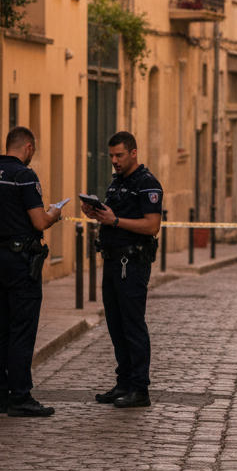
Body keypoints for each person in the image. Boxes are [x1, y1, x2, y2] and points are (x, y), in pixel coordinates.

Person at [0, 126, 64, 417]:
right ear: (27, 146)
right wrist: (54, 214)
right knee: (22, 329)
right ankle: (21, 396)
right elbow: (39, 222)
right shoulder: (25, 176)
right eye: (33, 150)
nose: (32, 154)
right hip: (20, 260)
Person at [80, 131, 162, 409]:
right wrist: (97, 214)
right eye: (111, 155)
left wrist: (115, 221)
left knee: (132, 324)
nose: (114, 160)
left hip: (133, 263)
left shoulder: (147, 183)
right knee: (116, 325)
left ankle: (139, 388)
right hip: (113, 261)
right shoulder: (117, 182)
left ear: (133, 153)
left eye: (119, 155)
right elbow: (115, 217)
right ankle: (124, 382)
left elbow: (151, 226)